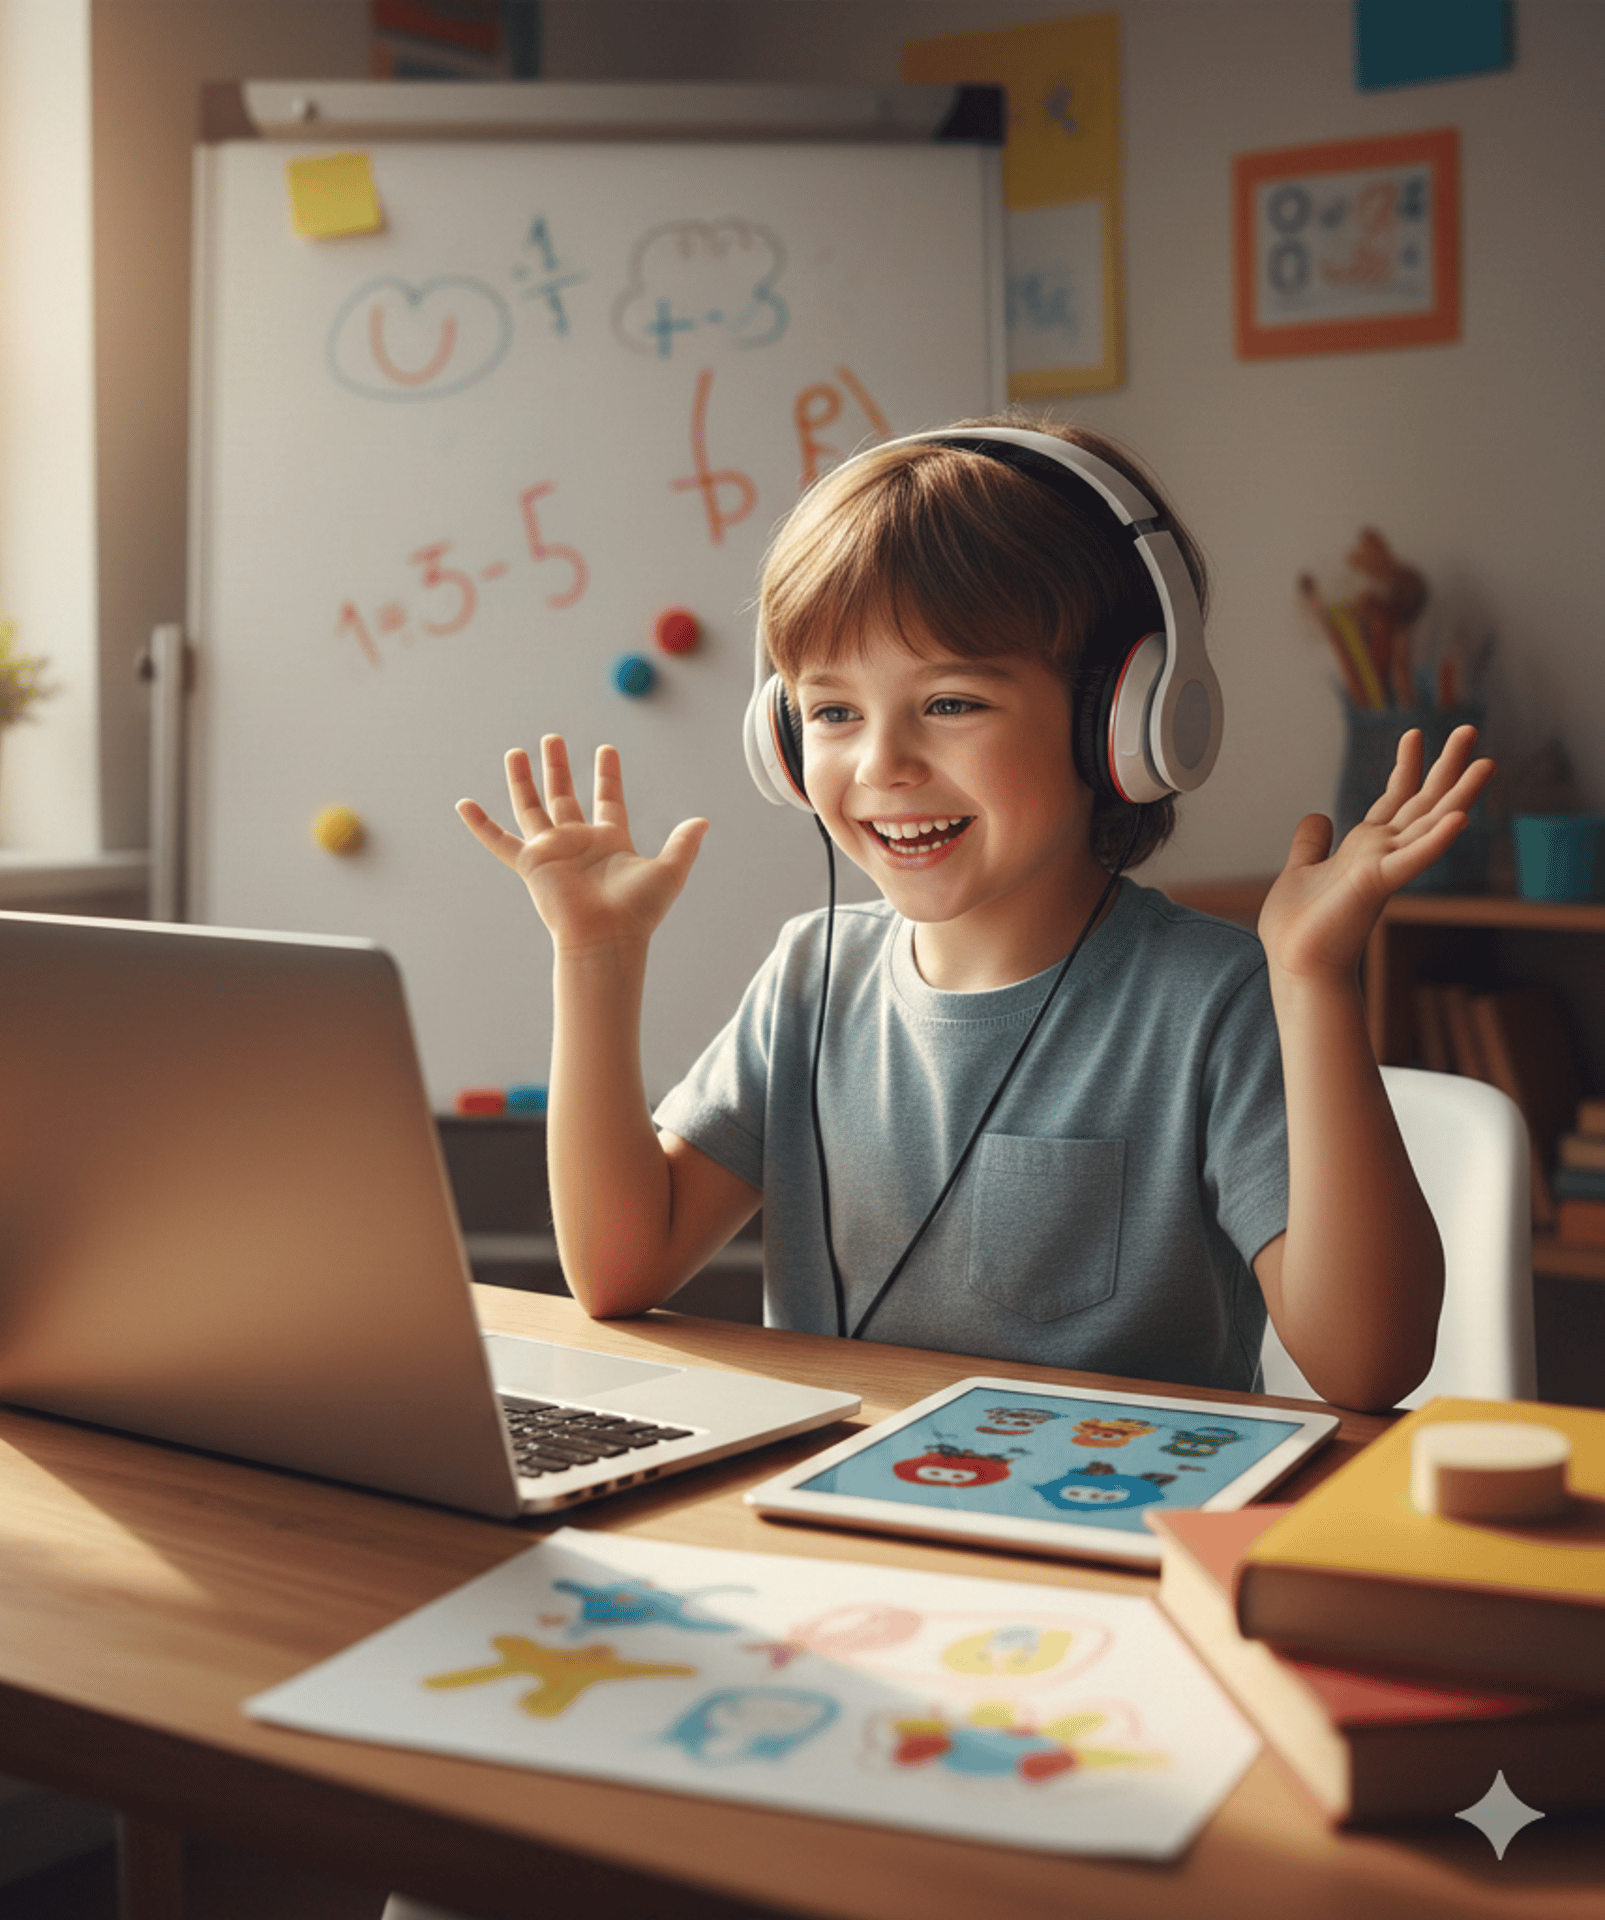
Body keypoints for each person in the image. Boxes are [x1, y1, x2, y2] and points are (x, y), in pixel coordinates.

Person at [457, 417, 1492, 1412]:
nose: (882, 766)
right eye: (832, 713)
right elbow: (616, 1272)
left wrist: (1311, 983)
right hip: (840, 1538)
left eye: (951, 703)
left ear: (1120, 724)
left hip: (1107, 1532)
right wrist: (595, 958)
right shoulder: (810, 979)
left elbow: (1368, 1367)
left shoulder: (1211, 1000)